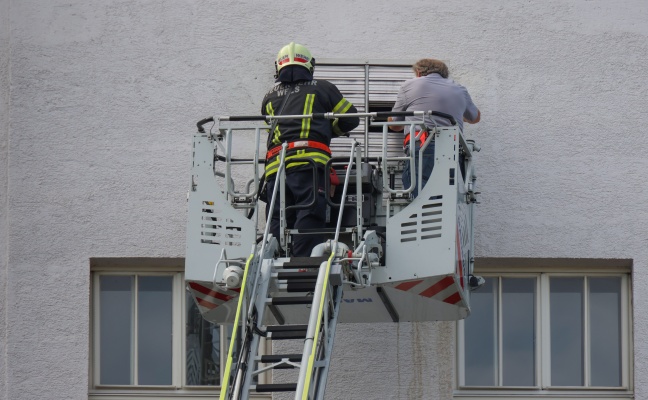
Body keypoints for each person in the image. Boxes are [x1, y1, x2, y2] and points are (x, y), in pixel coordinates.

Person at [262, 42, 359, 256]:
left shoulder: (269, 95)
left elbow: (272, 128)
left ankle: (274, 255)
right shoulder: (323, 88)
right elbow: (351, 119)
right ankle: (303, 261)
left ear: (278, 67)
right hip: (309, 165)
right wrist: (326, 129)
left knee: (277, 215)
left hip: (275, 168)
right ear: (310, 65)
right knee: (310, 210)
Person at [388, 58, 480, 198]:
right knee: (447, 199)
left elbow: (395, 125)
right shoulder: (459, 89)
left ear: (419, 72)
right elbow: (475, 117)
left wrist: (394, 118)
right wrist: (458, 114)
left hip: (423, 147)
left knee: (420, 199)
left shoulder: (410, 85)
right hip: (453, 150)